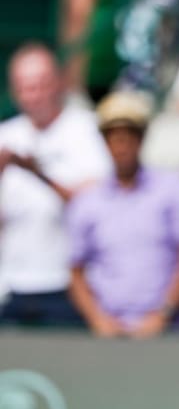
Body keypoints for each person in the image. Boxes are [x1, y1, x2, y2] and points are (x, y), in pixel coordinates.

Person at [66, 91, 179, 338]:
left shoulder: (170, 189)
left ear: (141, 139)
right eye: (115, 139)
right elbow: (75, 271)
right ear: (105, 142)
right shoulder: (87, 201)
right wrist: (98, 319)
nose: (122, 147)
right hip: (110, 331)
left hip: (166, 330)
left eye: (129, 138)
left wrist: (163, 314)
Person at [0, 43, 112, 326]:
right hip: (12, 285)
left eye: (41, 85)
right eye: (26, 88)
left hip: (70, 285)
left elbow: (98, 203)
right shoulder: (6, 135)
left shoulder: (88, 129)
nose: (34, 96)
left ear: (59, 83)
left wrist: (38, 174)